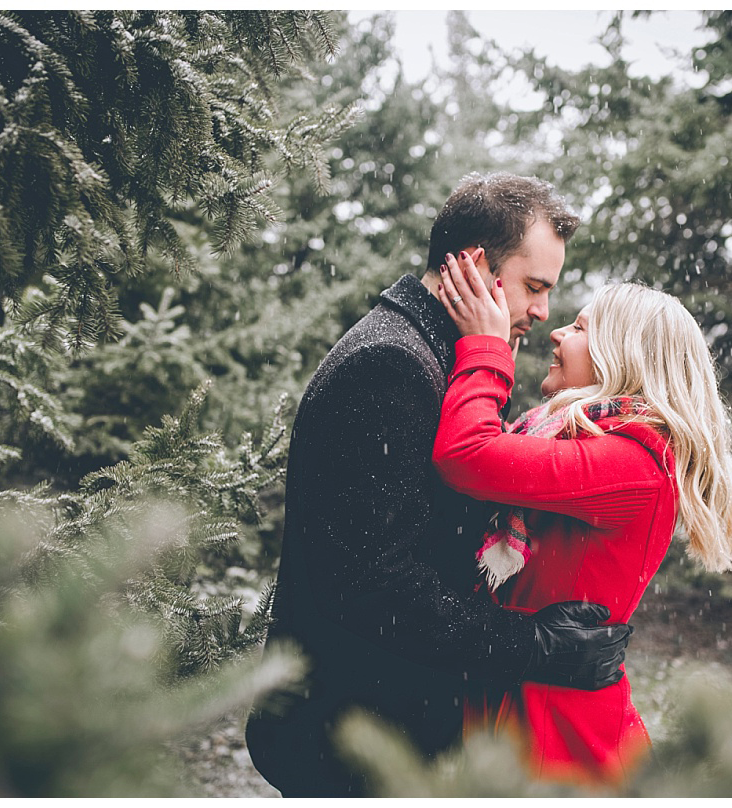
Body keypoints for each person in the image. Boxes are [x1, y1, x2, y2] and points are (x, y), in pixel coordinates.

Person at [245, 173, 631, 797]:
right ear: (475, 267)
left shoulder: (441, 357)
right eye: (534, 287)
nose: (542, 313)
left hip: (386, 728)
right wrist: (534, 646)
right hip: (348, 739)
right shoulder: (391, 364)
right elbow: (372, 583)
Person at [431, 251, 732, 782]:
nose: (557, 333)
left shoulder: (635, 463)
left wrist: (488, 351)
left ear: (620, 357)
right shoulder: (574, 439)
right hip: (523, 712)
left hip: (562, 739)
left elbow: (467, 453)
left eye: (580, 327)